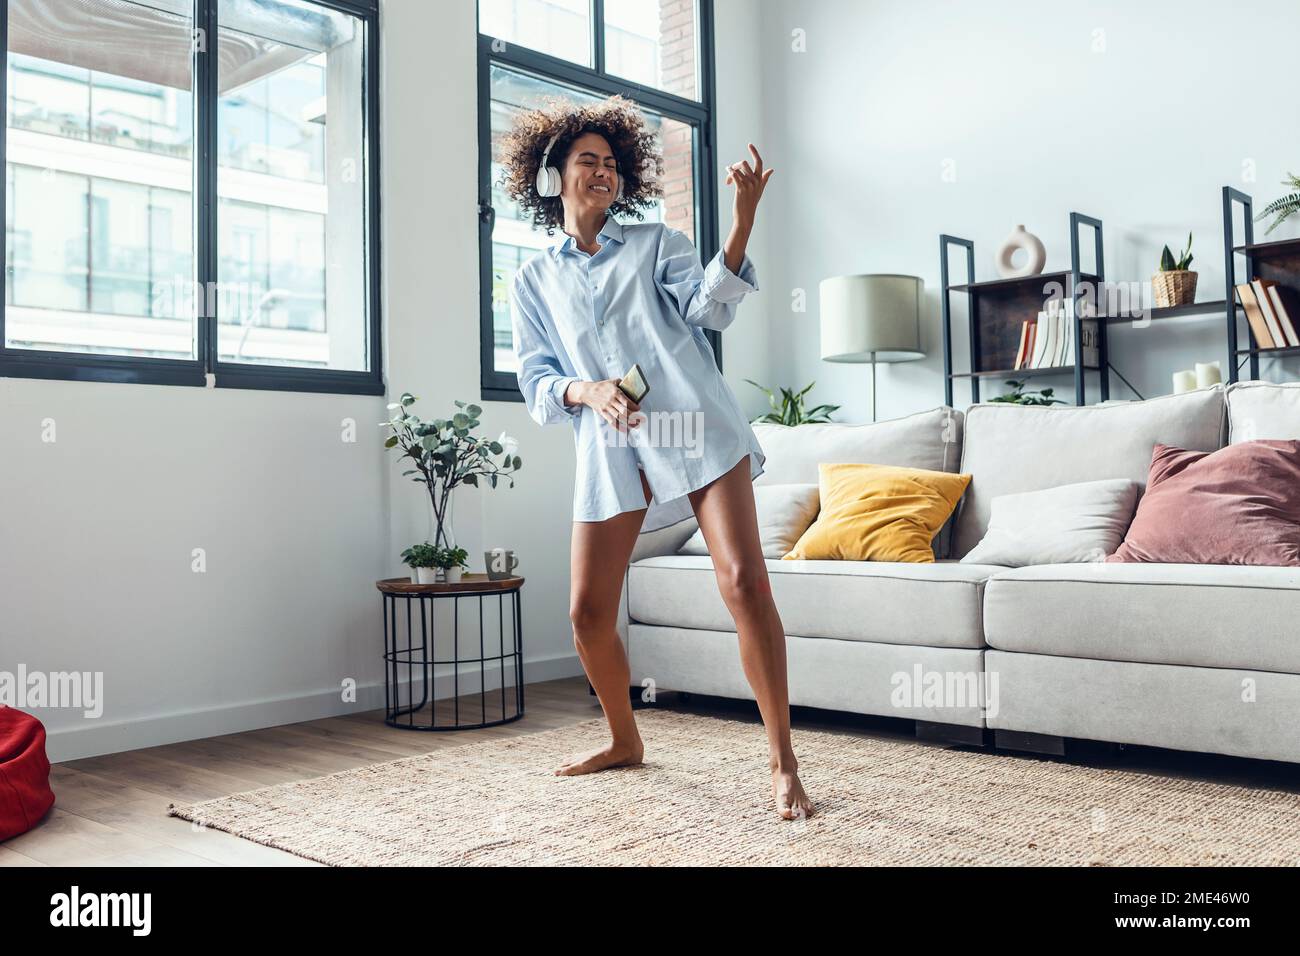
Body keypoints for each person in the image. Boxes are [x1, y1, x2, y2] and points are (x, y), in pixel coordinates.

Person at [503, 94, 812, 819]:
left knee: (743, 584)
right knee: (585, 613)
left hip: (696, 429)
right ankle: (624, 740)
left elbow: (709, 307)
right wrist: (589, 389)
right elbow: (537, 380)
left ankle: (783, 762)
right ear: (554, 177)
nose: (603, 173)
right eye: (588, 161)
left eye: (612, 164)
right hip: (610, 445)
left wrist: (740, 224)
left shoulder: (655, 244)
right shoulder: (530, 282)